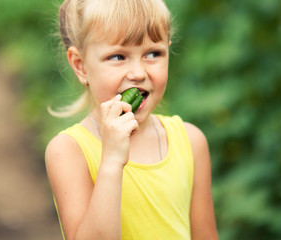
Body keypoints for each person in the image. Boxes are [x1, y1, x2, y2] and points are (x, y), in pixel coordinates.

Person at [45, 0, 218, 239]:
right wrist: (111, 161)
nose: (138, 73)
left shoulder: (190, 141)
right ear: (81, 65)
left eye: (153, 53)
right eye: (117, 56)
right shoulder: (68, 151)